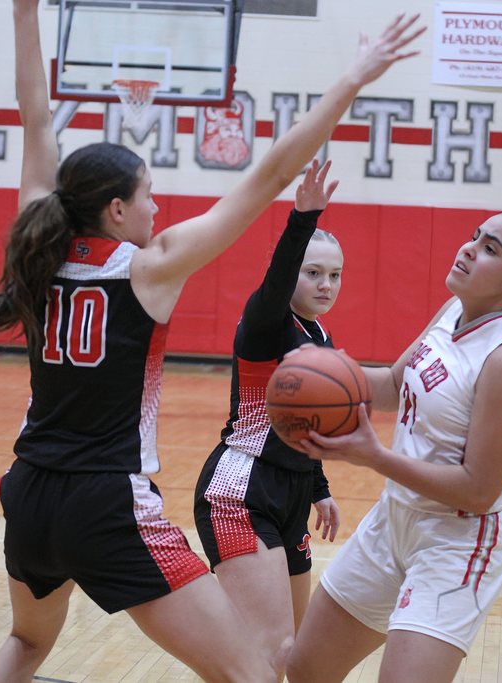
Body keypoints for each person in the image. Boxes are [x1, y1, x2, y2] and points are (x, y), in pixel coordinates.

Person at [0, 1, 424, 681]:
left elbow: (35, 114)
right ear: (116, 210)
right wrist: (352, 79)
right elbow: (268, 176)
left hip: (28, 490)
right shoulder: (150, 266)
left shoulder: (38, 249)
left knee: (27, 643)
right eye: (147, 195)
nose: (158, 207)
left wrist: (25, 13)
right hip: (107, 499)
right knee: (254, 674)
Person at [285, 210, 502, 683]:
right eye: (475, 237)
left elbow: (478, 489)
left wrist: (374, 456)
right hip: (395, 519)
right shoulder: (453, 312)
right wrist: (323, 370)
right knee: (307, 669)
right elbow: (394, 385)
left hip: (458, 540)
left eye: (489, 249)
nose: (468, 248)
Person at [193, 158, 343, 674]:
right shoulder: (266, 322)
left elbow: (307, 427)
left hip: (292, 490)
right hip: (242, 488)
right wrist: (302, 220)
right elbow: (277, 282)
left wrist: (318, 485)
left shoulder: (320, 338)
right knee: (269, 651)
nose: (326, 284)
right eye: (313, 272)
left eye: (335, 275)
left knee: (294, 654)